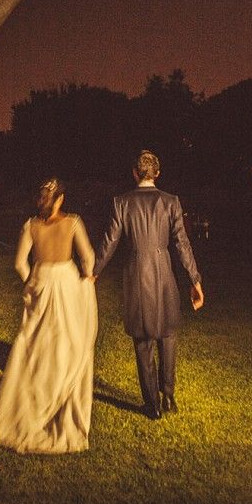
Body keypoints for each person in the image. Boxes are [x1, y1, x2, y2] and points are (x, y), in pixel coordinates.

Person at [93, 150, 204, 419]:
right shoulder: (171, 202)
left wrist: (93, 271)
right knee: (168, 334)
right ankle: (168, 396)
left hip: (137, 275)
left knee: (143, 340)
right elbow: (182, 243)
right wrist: (195, 279)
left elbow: (110, 240)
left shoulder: (122, 202)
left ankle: (151, 403)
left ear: (135, 173)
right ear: (157, 173)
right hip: (164, 272)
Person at [0, 178, 97, 453]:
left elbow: (18, 263)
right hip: (66, 283)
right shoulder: (73, 223)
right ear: (60, 198)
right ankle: (59, 401)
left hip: (41, 281)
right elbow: (88, 258)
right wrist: (86, 276)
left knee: (34, 345)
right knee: (67, 344)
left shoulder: (31, 226)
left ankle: (30, 403)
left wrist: (31, 282)